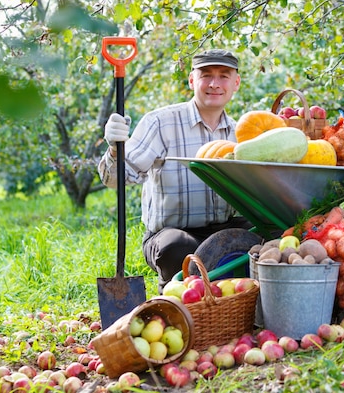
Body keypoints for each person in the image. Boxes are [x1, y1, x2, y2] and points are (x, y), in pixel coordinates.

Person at [98, 49, 253, 293]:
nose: (214, 83)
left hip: (223, 230)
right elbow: (118, 179)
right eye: (206, 75)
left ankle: (241, 302)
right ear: (192, 80)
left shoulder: (241, 133)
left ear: (236, 83)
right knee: (176, 247)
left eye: (224, 76)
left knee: (274, 236)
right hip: (173, 234)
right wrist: (115, 150)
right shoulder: (161, 123)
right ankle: (178, 297)